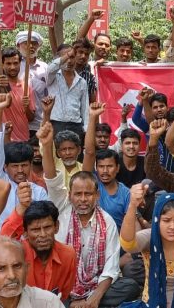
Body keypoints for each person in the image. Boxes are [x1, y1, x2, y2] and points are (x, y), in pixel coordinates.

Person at [38, 121, 140, 307]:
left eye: (88, 194)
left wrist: (95, 296)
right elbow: (52, 179)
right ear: (69, 195)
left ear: (97, 195)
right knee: (47, 293)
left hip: (95, 286)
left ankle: (85, 304)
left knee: (129, 286)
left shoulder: (106, 221)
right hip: (64, 285)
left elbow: (111, 266)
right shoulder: (62, 207)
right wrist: (46, 146)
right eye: (78, 194)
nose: (83, 199)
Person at [119, 188, 174, 308]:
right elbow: (127, 244)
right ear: (156, 220)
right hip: (150, 304)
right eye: (166, 220)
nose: (172, 226)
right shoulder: (150, 238)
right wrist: (132, 206)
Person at [0, 93, 48, 236]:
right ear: (5, 167)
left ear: (31, 165)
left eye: (24, 165)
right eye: (14, 166)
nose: (20, 170)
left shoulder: (39, 192)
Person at [0, 196, 77, 302]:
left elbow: (64, 295)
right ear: (25, 232)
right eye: (35, 230)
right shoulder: (17, 254)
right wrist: (21, 207)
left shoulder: (68, 255)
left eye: (47, 227)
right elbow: (2, 242)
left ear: (56, 226)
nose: (42, 234)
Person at [83, 104, 132, 229]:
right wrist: (93, 116)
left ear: (117, 168)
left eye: (109, 166)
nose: (105, 171)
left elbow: (131, 223)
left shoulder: (125, 193)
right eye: (101, 166)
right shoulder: (91, 182)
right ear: (96, 167)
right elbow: (89, 152)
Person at [45, 48, 89, 140]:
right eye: (65, 57)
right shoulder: (52, 77)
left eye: (72, 57)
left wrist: (86, 129)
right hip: (55, 124)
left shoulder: (82, 82)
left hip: (76, 125)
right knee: (55, 153)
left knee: (75, 153)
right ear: (59, 59)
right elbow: (50, 69)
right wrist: (68, 55)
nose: (69, 61)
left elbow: (85, 108)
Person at [0, 47, 35, 142]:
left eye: (15, 63)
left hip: (24, 139)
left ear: (20, 64)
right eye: (8, 63)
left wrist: (26, 108)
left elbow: (31, 118)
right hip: (2, 140)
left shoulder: (26, 86)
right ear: (2, 65)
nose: (12, 67)